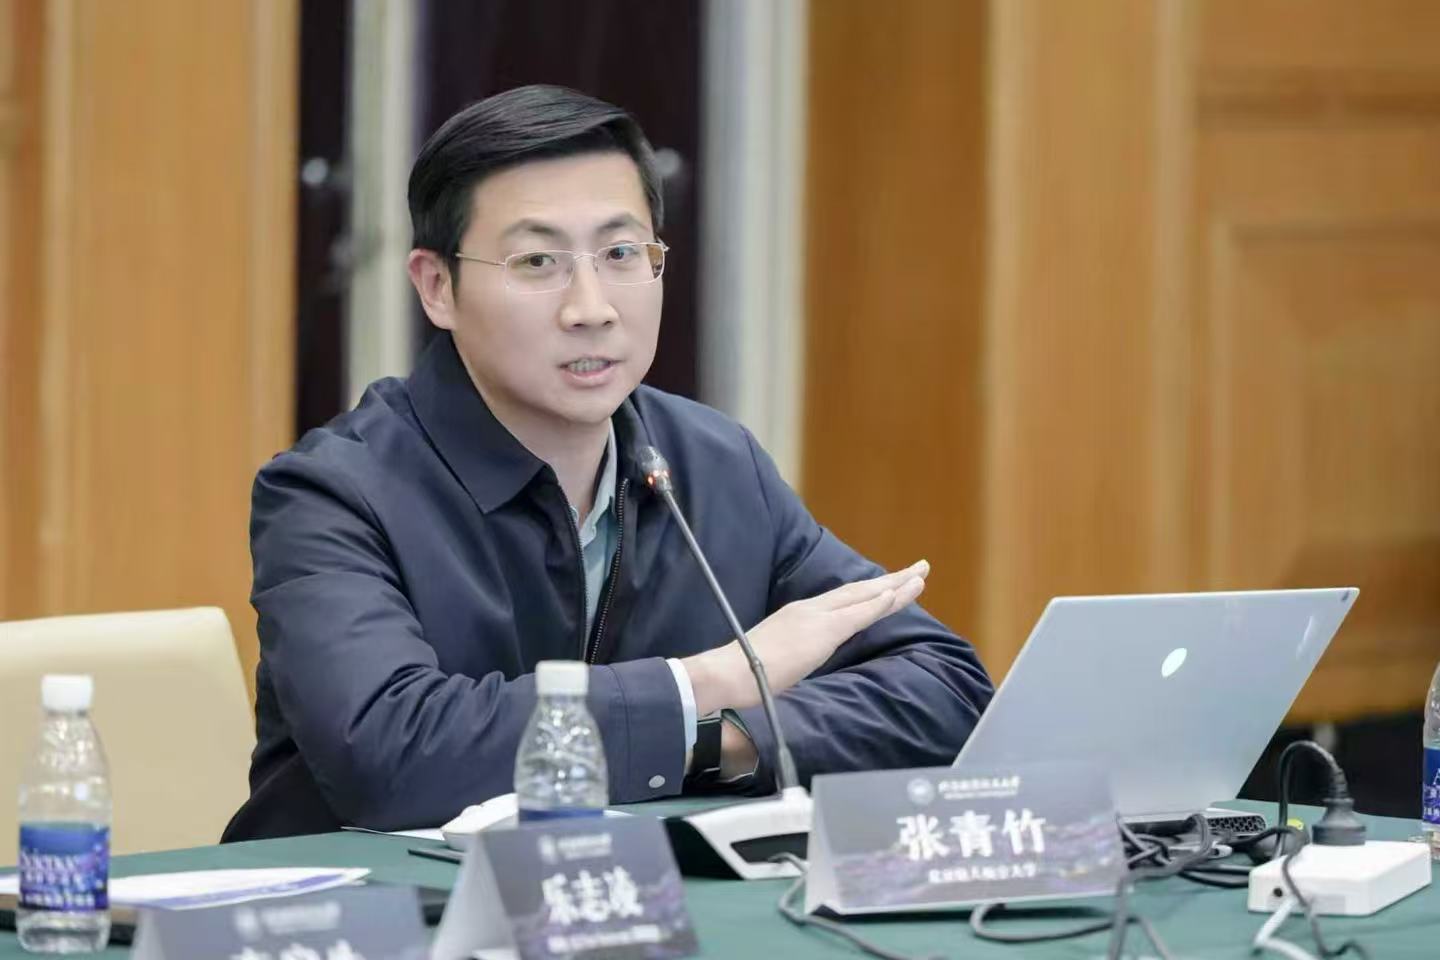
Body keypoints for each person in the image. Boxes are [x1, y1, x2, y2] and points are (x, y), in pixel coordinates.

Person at [223, 85, 992, 841]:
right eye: (537, 261)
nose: (591, 307)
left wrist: (709, 743)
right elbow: (389, 753)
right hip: (370, 908)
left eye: (622, 253)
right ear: (437, 287)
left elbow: (942, 689)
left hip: (637, 900)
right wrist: (714, 681)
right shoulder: (332, 493)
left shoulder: (714, 463)